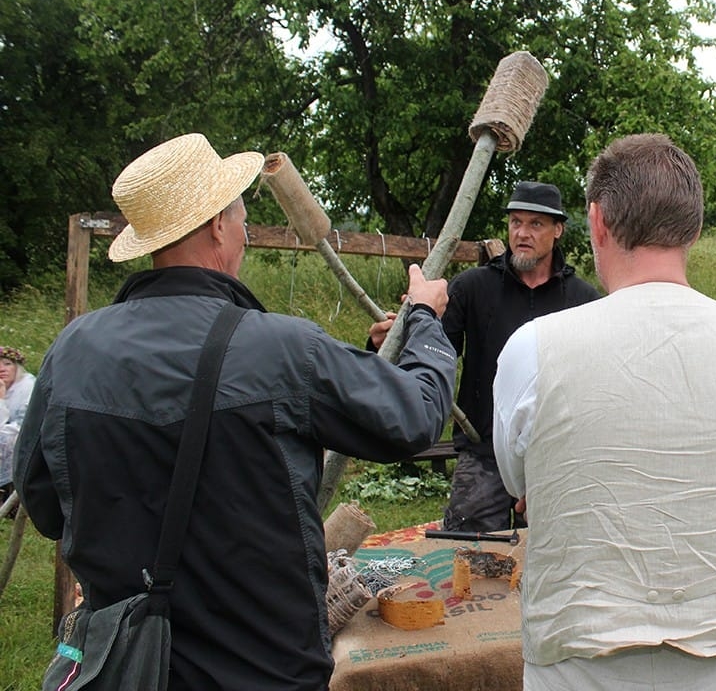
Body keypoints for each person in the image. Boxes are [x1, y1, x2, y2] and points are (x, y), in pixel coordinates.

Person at [14, 133, 456, 691]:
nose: (246, 229)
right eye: (242, 212)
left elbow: (48, 507)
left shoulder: (71, 351)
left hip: (126, 666)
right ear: (218, 225)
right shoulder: (280, 350)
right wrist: (424, 319)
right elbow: (414, 415)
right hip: (264, 669)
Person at [493, 134, 716, 690]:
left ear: (597, 222)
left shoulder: (534, 348)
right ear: (694, 228)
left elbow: (520, 482)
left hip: (582, 657)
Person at [440, 180, 599, 532]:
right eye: (516, 222)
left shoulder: (583, 301)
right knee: (471, 559)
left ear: (558, 230)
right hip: (483, 456)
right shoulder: (471, 288)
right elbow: (435, 353)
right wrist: (401, 331)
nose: (522, 233)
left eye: (535, 224)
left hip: (556, 459)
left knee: (554, 564)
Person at [0, 345, 36, 493]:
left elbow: (24, 424)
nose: (2, 369)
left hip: (22, 438)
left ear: (16, 367)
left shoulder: (27, 387)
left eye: (7, 364)